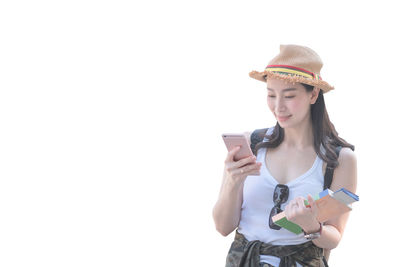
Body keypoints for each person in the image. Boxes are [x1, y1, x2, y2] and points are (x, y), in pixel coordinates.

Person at [212, 44, 357, 267]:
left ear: (314, 94)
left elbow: (335, 236)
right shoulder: (252, 145)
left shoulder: (339, 159)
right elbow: (223, 227)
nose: (278, 107)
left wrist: (312, 227)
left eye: (289, 95)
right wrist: (233, 182)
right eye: (271, 95)